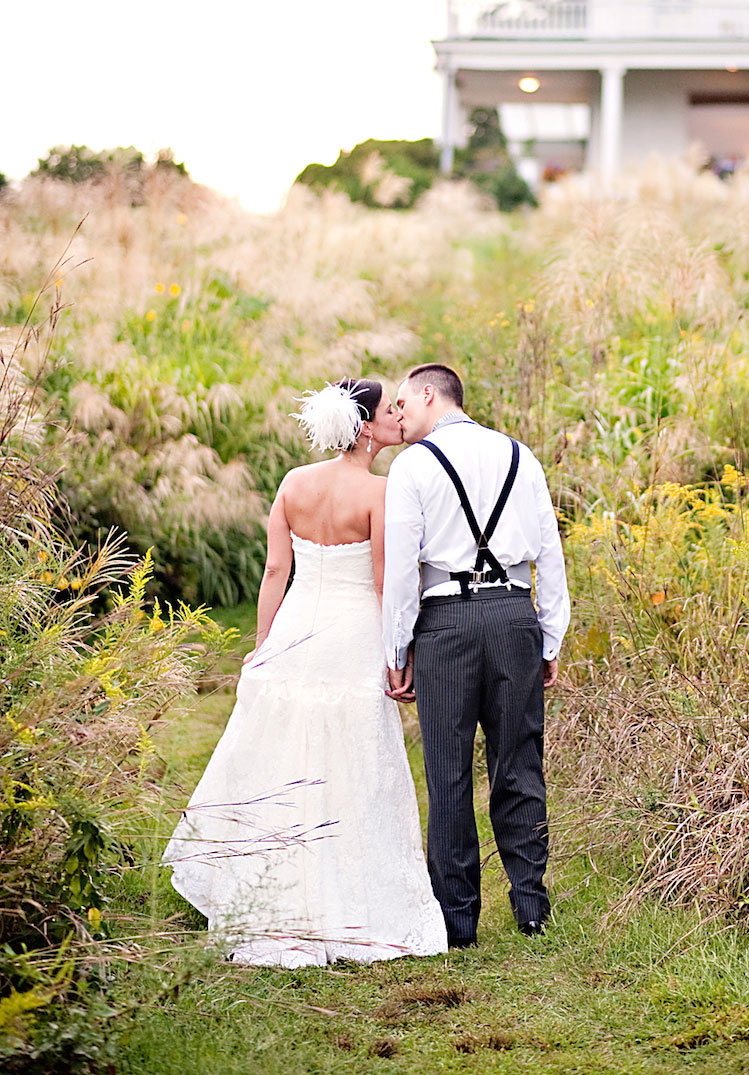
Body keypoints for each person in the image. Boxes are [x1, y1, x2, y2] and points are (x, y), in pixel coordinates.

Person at [163, 379, 447, 967]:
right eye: (389, 412)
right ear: (366, 426)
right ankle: (350, 898)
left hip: (296, 629)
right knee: (353, 760)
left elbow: (274, 571)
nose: (399, 417)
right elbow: (380, 582)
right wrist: (402, 654)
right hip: (352, 634)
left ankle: (271, 890)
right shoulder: (380, 492)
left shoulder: (294, 483)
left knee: (285, 757)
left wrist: (265, 646)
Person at [382, 364, 570, 949]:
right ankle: (531, 903)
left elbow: (401, 568)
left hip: (447, 628)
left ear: (431, 394)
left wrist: (397, 647)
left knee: (448, 770)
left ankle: (458, 918)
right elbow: (550, 553)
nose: (399, 413)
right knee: (519, 762)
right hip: (515, 617)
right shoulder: (521, 456)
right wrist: (551, 635)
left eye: (405, 401)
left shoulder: (411, 466)